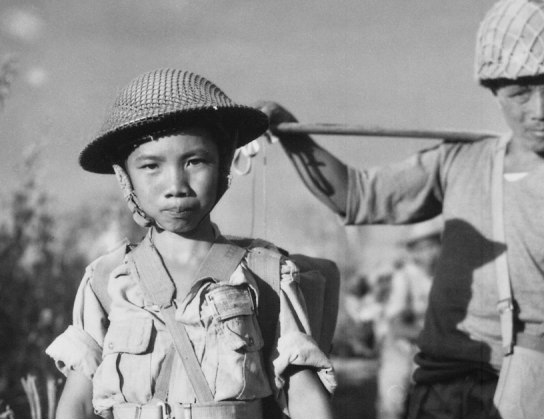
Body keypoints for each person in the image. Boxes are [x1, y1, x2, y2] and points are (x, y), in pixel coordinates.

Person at [258, 0, 544, 417]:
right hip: (440, 383)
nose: (539, 111)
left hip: (530, 388)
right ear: (495, 91)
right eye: (520, 93)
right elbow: (356, 196)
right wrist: (294, 136)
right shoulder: (461, 160)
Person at [45, 69, 334, 419]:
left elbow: (304, 394)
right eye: (151, 166)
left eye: (195, 161)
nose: (176, 184)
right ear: (125, 179)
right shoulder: (107, 280)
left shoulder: (265, 274)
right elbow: (76, 401)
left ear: (224, 165)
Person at [377, 219, 442, 419]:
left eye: (432, 245)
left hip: (436, 351)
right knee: (394, 396)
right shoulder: (404, 276)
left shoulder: (446, 277)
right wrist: (433, 338)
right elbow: (396, 326)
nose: (429, 253)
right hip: (403, 348)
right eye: (421, 248)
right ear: (412, 251)